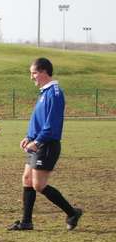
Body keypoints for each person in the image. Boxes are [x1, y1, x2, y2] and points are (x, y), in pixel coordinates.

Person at [8, 58, 83, 231]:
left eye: (33, 73)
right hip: (37, 142)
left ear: (43, 72)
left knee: (38, 185)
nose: (32, 77)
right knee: (27, 179)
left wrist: (38, 141)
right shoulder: (44, 92)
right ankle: (26, 222)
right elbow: (40, 120)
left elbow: (52, 124)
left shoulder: (54, 93)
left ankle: (72, 212)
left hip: (47, 144)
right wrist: (29, 137)